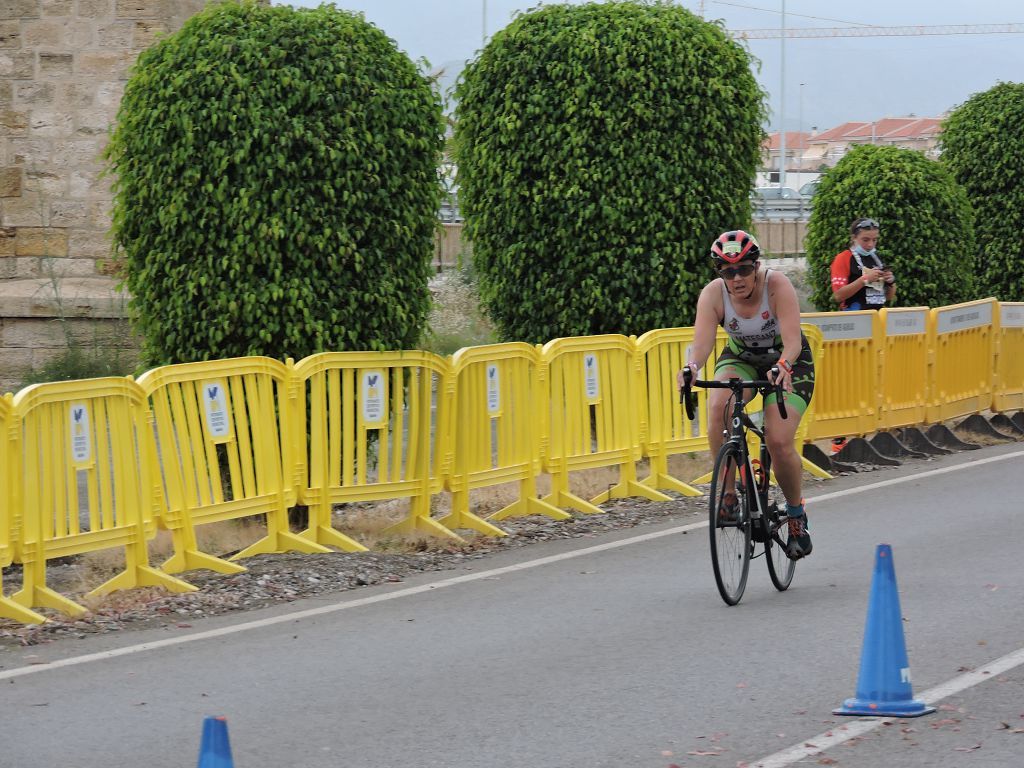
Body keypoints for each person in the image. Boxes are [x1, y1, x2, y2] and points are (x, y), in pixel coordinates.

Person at [676, 230, 814, 560]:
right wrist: (691, 367)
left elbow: (793, 341)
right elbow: (702, 345)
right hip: (742, 359)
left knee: (779, 440)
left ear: (757, 267)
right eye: (727, 272)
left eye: (743, 270)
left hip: (788, 360)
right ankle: (726, 495)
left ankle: (796, 517)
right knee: (718, 405)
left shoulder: (777, 286)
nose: (736, 279)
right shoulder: (713, 295)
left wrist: (782, 365)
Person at [827, 217, 896, 452]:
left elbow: (888, 297)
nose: (869, 244)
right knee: (849, 382)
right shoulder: (844, 259)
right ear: (854, 238)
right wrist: (864, 279)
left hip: (876, 324)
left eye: (874, 240)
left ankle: (871, 430)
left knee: (874, 379)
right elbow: (838, 295)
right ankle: (839, 439)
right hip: (853, 326)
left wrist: (890, 281)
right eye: (865, 240)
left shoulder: (876, 258)